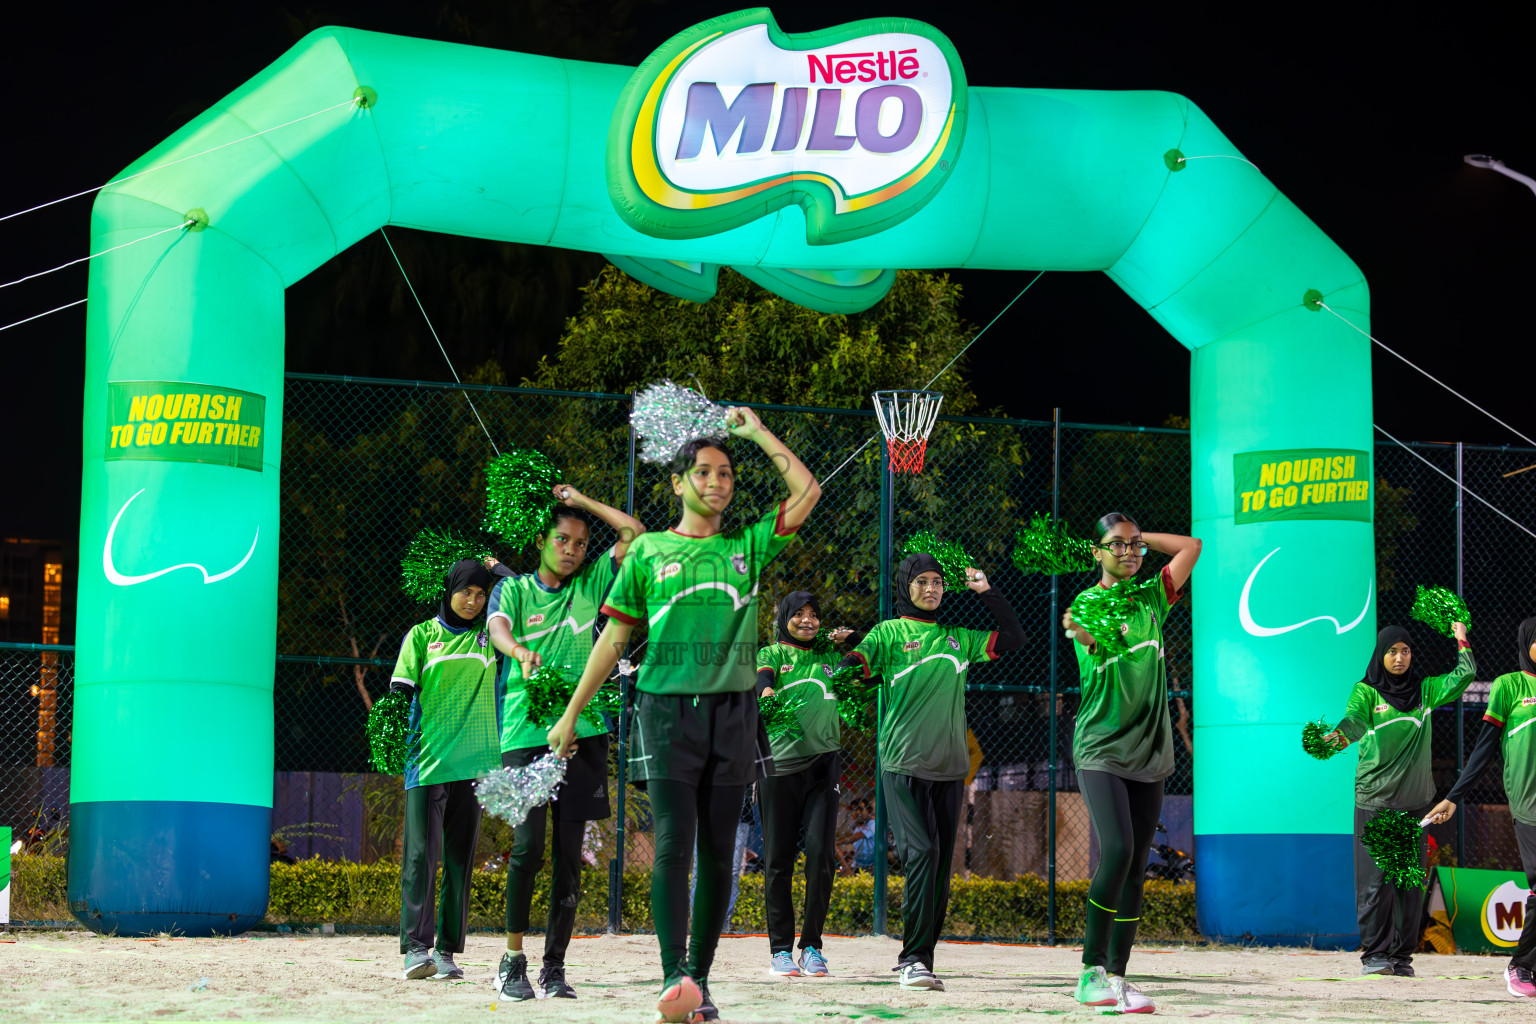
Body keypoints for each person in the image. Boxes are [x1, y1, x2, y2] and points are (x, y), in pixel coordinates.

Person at [548, 408, 821, 1024]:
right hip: (665, 711)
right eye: (703, 472)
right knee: (674, 843)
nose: (717, 482)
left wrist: (754, 433)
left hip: (734, 713)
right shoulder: (647, 550)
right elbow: (614, 640)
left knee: (720, 852)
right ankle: (674, 974)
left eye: (726, 473)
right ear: (677, 483)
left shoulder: (748, 543)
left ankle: (699, 981)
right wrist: (570, 716)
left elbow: (807, 491)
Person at [484, 485, 644, 1001]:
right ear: (540, 541)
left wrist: (583, 501)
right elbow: (497, 628)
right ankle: (512, 961)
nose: (572, 549)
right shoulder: (513, 590)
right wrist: (519, 650)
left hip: (585, 734)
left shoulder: (592, 584)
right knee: (527, 850)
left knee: (569, 859)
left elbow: (634, 533)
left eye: (579, 542)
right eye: (562, 539)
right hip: (525, 735)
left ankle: (555, 966)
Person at [841, 550, 1025, 991]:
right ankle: (911, 959)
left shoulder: (959, 637)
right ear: (906, 586)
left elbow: (1015, 638)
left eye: (938, 582)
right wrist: (837, 657)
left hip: (950, 771)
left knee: (939, 866)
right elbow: (853, 669)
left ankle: (922, 959)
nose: (931, 589)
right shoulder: (887, 633)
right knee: (921, 853)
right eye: (921, 581)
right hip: (902, 765)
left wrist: (987, 591)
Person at [1061, 513, 1200, 1014]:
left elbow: (1192, 546)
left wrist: (1143, 539)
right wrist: (1082, 631)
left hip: (1149, 751)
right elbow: (1082, 628)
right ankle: (1090, 971)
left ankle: (1116, 978)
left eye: (1134, 545)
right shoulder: (1088, 603)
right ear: (1096, 552)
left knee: (1137, 867)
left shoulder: (1153, 598)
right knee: (1117, 850)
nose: (1128, 552)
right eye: (1116, 545)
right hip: (1101, 747)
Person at [1324, 619, 1474, 977]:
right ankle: (1374, 955)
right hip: (1376, 802)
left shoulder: (1425, 691)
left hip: (1415, 806)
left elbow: (1464, 676)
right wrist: (1337, 739)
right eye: (1392, 651)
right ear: (1381, 655)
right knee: (1375, 884)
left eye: (1405, 651)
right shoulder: (1366, 693)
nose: (1399, 657)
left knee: (1409, 887)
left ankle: (1401, 957)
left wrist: (1461, 638)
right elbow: (1354, 722)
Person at [392, 558, 500, 981]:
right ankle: (416, 949)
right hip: (427, 762)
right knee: (421, 857)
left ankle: (447, 953)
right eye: (466, 592)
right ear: (449, 590)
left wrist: (501, 570)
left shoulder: (492, 637)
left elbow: (528, 595)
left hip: (474, 767)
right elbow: (399, 698)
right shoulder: (422, 636)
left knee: (460, 861)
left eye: (481, 593)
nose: (473, 601)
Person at [1427, 616, 1534, 999]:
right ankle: (1520, 966)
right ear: (1527, 644)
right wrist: (1454, 796)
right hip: (1529, 803)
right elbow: (1485, 748)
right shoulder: (1510, 686)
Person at [755, 590, 859, 978]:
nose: (807, 620)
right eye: (798, 614)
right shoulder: (774, 653)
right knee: (778, 861)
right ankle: (780, 951)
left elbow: (875, 656)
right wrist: (765, 690)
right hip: (779, 768)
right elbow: (761, 677)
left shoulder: (831, 658)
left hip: (823, 766)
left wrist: (848, 639)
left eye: (814, 614)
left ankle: (812, 946)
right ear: (785, 617)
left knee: (820, 856)